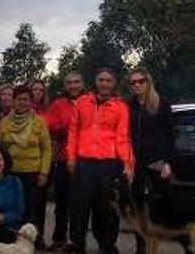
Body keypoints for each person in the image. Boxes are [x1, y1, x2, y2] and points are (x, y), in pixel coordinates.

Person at [67, 68, 134, 254]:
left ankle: (107, 246)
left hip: (109, 164)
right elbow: (73, 132)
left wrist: (127, 164)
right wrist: (71, 158)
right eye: (101, 79)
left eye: (108, 80)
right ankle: (77, 244)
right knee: (79, 206)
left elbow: (123, 137)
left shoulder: (121, 107)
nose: (104, 83)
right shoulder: (82, 102)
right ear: (95, 81)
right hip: (84, 163)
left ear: (114, 84)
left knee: (106, 209)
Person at [127, 68, 179, 254]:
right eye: (133, 82)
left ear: (148, 82)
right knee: (136, 205)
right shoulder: (129, 106)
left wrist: (168, 162)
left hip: (156, 161)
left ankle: (157, 243)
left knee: (160, 203)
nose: (137, 85)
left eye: (140, 81)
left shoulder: (161, 104)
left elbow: (170, 137)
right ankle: (141, 246)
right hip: (135, 163)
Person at [0, 85, 51, 246]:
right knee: (11, 209)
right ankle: (12, 240)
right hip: (10, 173)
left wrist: (44, 173)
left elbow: (47, 149)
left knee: (31, 210)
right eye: (19, 99)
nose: (22, 102)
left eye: (25, 99)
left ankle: (33, 241)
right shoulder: (5, 122)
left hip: (33, 173)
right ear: (13, 101)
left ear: (30, 101)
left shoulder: (39, 122)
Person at [43, 71, 85, 251]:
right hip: (62, 159)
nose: (73, 86)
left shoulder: (91, 100)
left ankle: (78, 241)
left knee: (82, 203)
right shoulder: (58, 104)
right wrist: (72, 125)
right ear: (65, 86)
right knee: (62, 203)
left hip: (86, 159)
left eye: (76, 82)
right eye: (69, 83)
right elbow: (50, 127)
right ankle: (59, 238)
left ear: (82, 84)